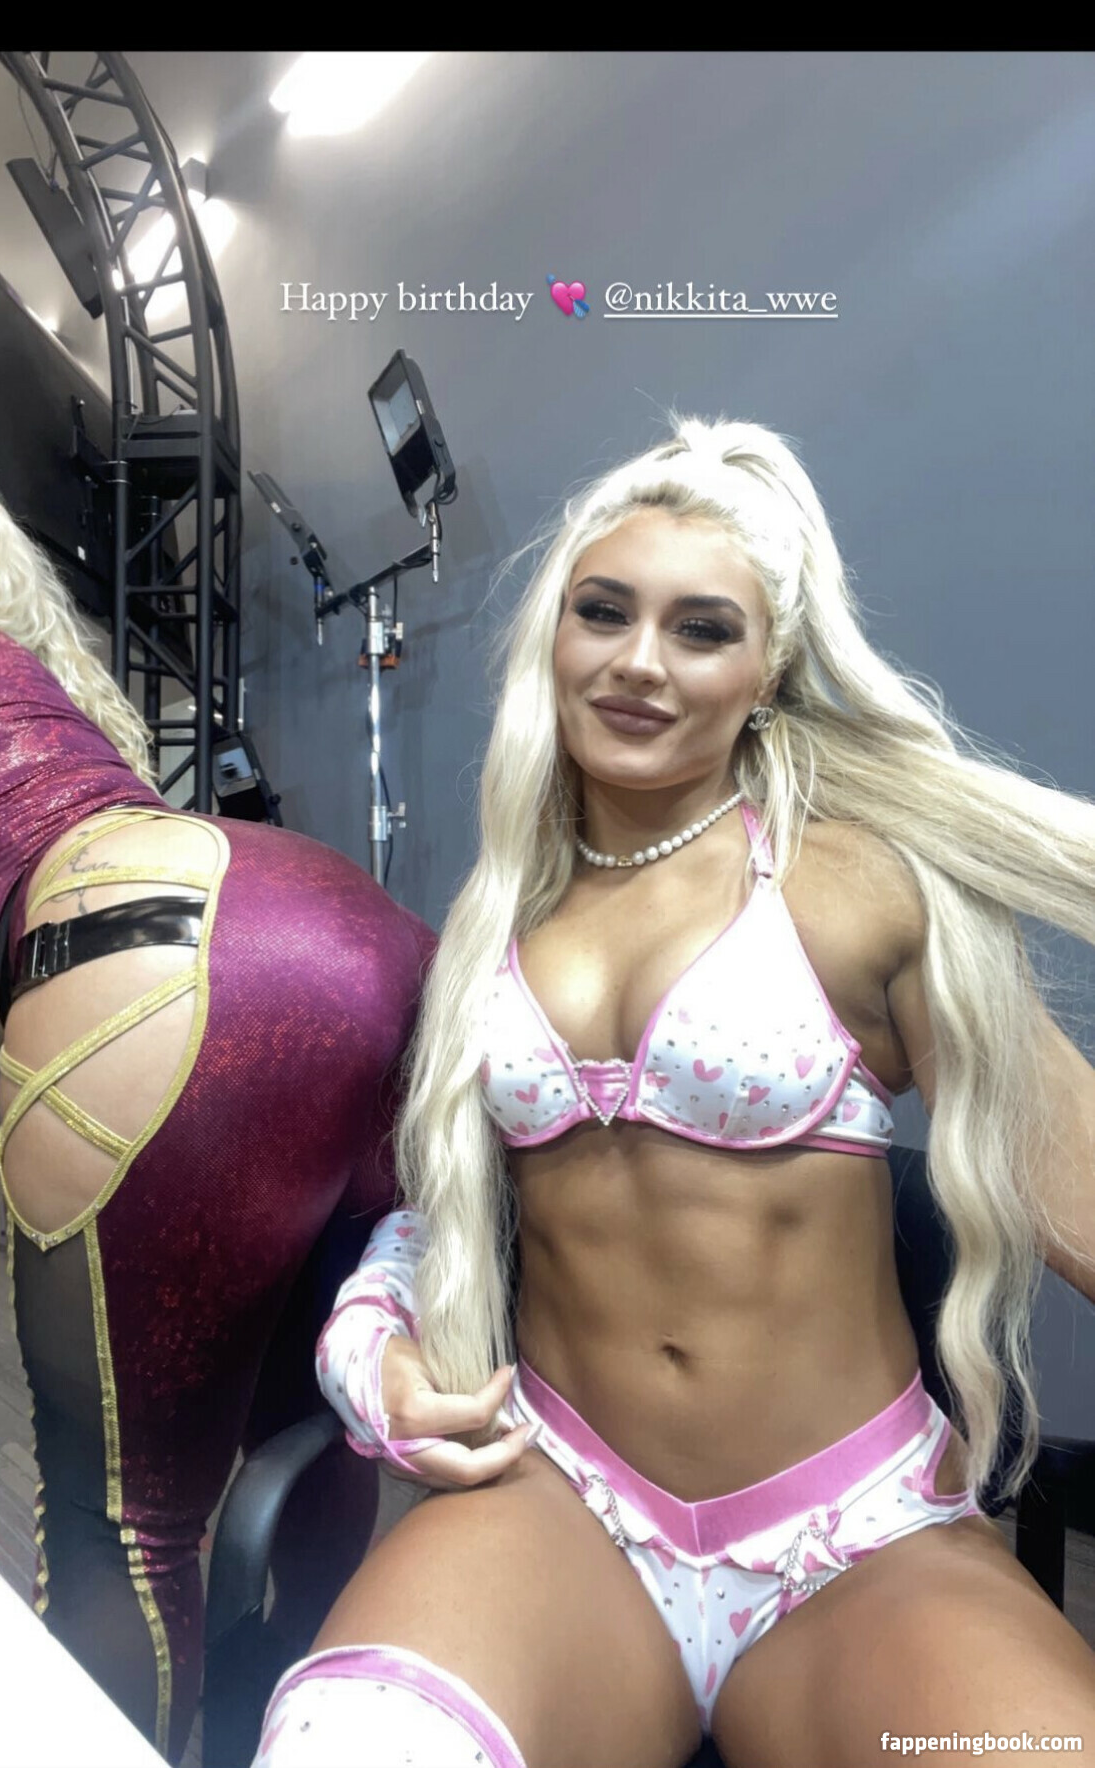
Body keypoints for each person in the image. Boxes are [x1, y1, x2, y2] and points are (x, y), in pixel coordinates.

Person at [255, 418, 1095, 1768]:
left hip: (856, 1541)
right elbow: (441, 1215)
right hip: (563, 1505)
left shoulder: (861, 885)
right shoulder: (498, 923)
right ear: (555, 637)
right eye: (604, 612)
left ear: (767, 671)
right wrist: (370, 1350)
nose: (639, 660)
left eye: (702, 629)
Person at [0, 429, 435, 1763]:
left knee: (125, 1522)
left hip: (164, 966)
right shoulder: (44, 700)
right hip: (348, 931)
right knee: (307, 1427)